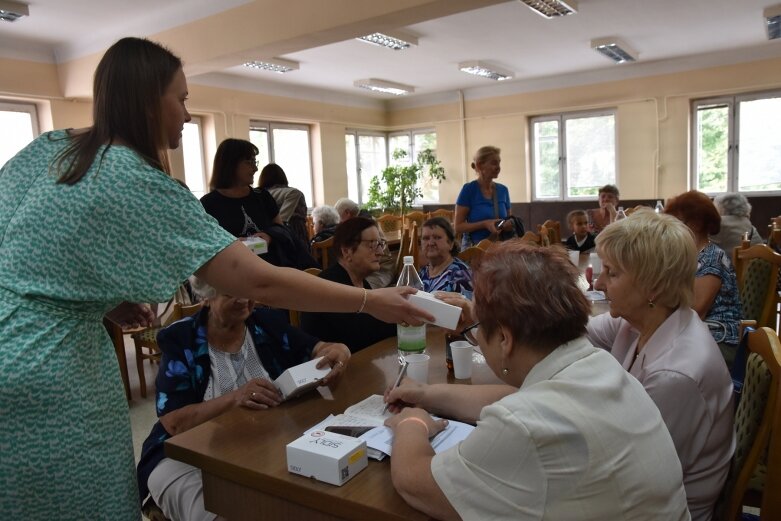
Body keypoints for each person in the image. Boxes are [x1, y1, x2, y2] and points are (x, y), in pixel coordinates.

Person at [0, 37, 428, 520]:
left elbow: (25, 251)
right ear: (146, 100)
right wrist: (370, 302)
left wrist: (96, 299)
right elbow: (258, 281)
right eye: (180, 99)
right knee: (78, 503)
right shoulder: (135, 178)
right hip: (50, 373)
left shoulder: (54, 146)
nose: (186, 113)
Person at [383, 242, 690, 521]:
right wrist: (425, 394)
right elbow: (509, 399)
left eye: (480, 326)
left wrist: (413, 422)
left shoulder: (524, 424)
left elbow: (416, 482)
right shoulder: (601, 366)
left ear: (505, 338)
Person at [137, 277, 350, 521]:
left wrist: (338, 350)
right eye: (230, 294)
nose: (243, 301)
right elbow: (175, 422)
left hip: (260, 448)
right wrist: (235, 398)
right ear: (205, 296)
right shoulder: (181, 338)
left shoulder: (265, 323)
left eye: (247, 291)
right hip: (186, 456)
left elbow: (320, 348)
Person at [587, 210, 735, 521]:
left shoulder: (675, 376)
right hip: (634, 486)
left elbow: (634, 482)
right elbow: (570, 330)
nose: (599, 283)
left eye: (611, 273)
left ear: (652, 286)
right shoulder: (645, 320)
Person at [202, 139, 316, 270]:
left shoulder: (262, 196)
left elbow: (281, 228)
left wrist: (269, 236)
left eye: (255, 162)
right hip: (235, 274)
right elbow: (207, 246)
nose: (255, 168)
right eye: (249, 162)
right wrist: (230, 245)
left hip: (273, 269)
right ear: (230, 164)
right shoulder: (208, 203)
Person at [665, 190, 742, 366]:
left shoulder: (712, 257)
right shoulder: (688, 255)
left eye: (676, 222)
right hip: (698, 334)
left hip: (719, 339)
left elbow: (695, 310)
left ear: (697, 223)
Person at [301, 217, 396, 352]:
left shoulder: (361, 282)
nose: (380, 252)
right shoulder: (331, 286)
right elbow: (362, 336)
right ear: (347, 251)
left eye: (381, 244)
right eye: (373, 244)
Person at [454, 146, 513, 247]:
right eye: (494, 163)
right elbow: (458, 227)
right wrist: (485, 224)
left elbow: (509, 219)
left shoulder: (503, 190)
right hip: (475, 249)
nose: (498, 167)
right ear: (480, 165)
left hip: (500, 248)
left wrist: (509, 224)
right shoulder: (469, 190)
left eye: (499, 163)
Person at [334, 197, 394, 289]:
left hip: (382, 269)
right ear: (346, 251)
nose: (339, 222)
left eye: (339, 217)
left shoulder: (366, 225)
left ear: (347, 213)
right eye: (372, 244)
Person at [258, 162, 309, 247]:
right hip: (293, 235)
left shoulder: (258, 194)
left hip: (265, 237)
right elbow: (284, 221)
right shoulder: (294, 193)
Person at [418, 217, 473, 296]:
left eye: (437, 237)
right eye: (426, 238)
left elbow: (469, 307)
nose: (430, 243)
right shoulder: (423, 272)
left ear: (450, 244)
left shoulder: (460, 274)